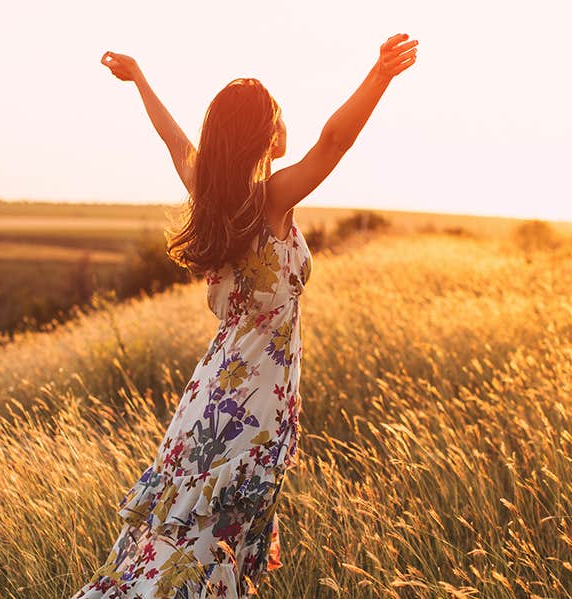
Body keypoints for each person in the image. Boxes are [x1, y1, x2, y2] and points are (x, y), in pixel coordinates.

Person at [73, 33, 418, 598]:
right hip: (257, 407)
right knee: (216, 545)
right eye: (278, 116)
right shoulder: (271, 200)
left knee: (184, 532)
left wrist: (140, 80)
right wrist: (378, 77)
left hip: (209, 396)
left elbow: (173, 139)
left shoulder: (210, 198)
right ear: (264, 134)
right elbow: (333, 142)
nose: (287, 127)